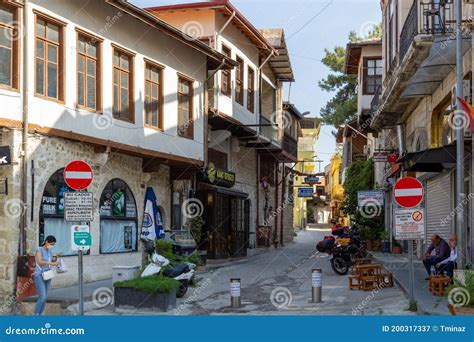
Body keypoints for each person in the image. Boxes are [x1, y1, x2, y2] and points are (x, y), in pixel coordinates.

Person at [34, 235, 59, 315]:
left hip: (48, 274)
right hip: (39, 274)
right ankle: (36, 314)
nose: (52, 246)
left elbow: (53, 261)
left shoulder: (50, 252)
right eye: (51, 244)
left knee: (45, 297)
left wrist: (56, 258)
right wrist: (51, 262)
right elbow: (39, 262)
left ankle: (41, 314)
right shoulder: (39, 249)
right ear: (46, 242)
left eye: (53, 244)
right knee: (42, 296)